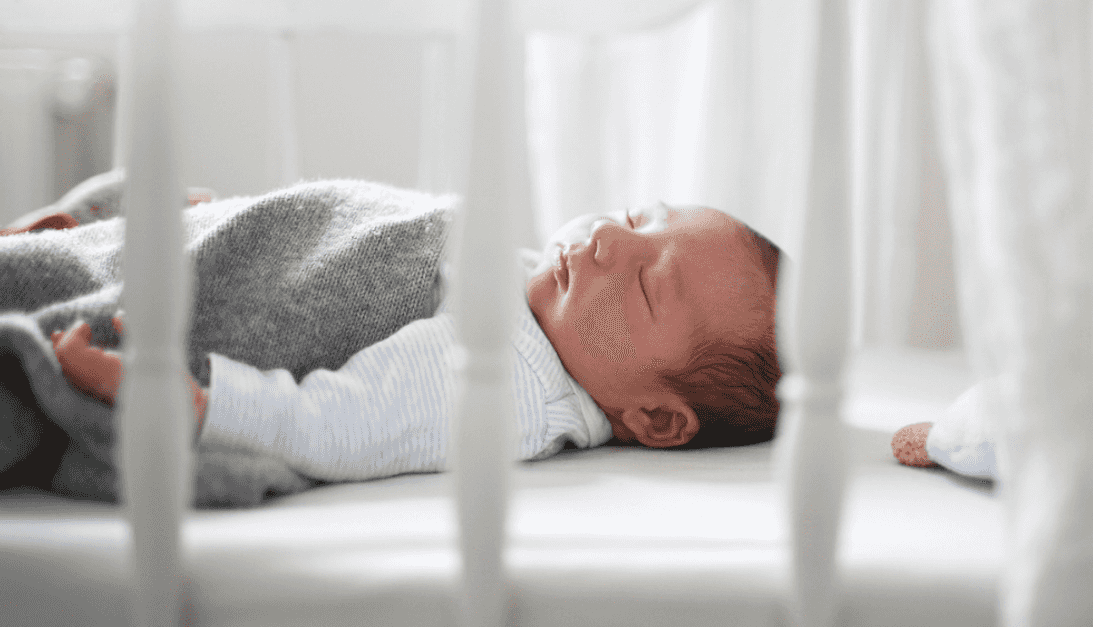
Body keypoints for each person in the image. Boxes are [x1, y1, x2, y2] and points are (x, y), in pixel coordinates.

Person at [34, 193, 781, 486]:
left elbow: (336, 424)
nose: (609, 240)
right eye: (637, 215)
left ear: (656, 419)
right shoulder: (543, 302)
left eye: (648, 286)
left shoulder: (510, 380)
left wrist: (201, 402)